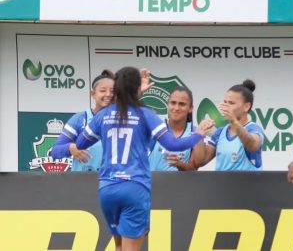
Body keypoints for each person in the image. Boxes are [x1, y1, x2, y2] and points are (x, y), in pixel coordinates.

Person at [75, 66, 214, 251]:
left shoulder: (102, 115)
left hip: (107, 189)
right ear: (137, 89)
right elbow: (173, 144)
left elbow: (80, 143)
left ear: (116, 88)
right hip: (134, 187)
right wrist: (198, 134)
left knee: (119, 246)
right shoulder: (146, 114)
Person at [50, 69, 115, 171]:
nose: (108, 94)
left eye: (113, 91)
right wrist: (71, 148)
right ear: (93, 94)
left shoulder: (124, 120)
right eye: (102, 91)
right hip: (82, 184)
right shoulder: (81, 119)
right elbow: (54, 152)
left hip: (112, 184)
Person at [200, 79, 264, 171]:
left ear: (246, 106)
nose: (226, 106)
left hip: (249, 185)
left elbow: (253, 145)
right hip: (222, 185)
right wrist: (199, 134)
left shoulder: (253, 128)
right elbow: (202, 161)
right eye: (225, 102)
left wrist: (234, 121)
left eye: (231, 103)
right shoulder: (220, 132)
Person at [149, 87, 206, 171]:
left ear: (190, 108)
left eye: (182, 104)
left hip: (180, 184)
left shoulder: (195, 132)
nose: (176, 108)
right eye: (173, 103)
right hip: (152, 183)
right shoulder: (156, 129)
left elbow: (194, 167)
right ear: (168, 105)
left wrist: (179, 164)